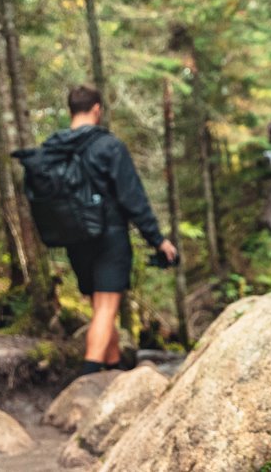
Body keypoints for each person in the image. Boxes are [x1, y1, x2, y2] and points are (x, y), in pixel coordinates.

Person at [42, 85, 177, 374]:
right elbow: (132, 197)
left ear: (70, 110)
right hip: (109, 236)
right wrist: (157, 240)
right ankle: (88, 376)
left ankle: (114, 368)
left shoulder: (54, 148)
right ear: (96, 109)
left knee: (101, 308)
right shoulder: (108, 146)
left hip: (74, 237)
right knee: (105, 308)